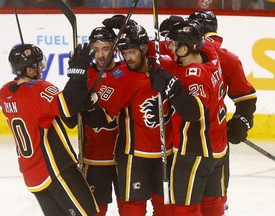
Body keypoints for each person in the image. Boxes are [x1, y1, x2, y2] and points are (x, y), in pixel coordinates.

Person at [84, 21, 175, 215]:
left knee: (166, 208)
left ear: (143, 48)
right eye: (124, 53)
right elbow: (101, 117)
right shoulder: (123, 76)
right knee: (132, 210)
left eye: (131, 52)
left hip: (165, 152)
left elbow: (186, 57)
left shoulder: (163, 64)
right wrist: (85, 103)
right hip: (133, 154)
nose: (127, 57)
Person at [0, 43, 99, 215]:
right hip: (56, 170)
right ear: (29, 70)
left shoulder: (5, 92)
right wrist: (78, 74)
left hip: (32, 175)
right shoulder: (39, 89)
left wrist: (80, 101)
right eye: (39, 63)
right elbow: (67, 106)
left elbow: (58, 113)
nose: (43, 66)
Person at [150, 20, 227, 215]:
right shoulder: (210, 54)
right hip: (217, 150)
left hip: (194, 150)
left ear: (185, 49)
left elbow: (194, 112)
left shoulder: (193, 74)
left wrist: (171, 88)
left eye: (175, 45)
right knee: (211, 204)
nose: (170, 48)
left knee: (186, 209)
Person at [188, 10, 257, 215]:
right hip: (215, 140)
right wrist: (241, 121)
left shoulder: (178, 54)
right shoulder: (228, 58)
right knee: (215, 200)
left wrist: (240, 122)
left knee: (184, 201)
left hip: (183, 139)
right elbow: (246, 99)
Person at [82, 26, 122, 216]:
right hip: (94, 155)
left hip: (125, 154)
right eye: (96, 49)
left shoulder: (127, 73)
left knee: (130, 207)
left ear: (114, 47)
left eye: (105, 48)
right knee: (96, 209)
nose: (100, 54)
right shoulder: (84, 77)